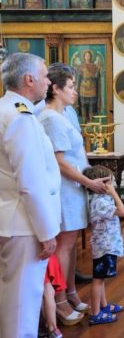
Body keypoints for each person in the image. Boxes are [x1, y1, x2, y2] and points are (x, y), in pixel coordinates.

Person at [38, 67, 110, 325]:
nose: (75, 91)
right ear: (55, 89)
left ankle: (70, 293)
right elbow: (60, 162)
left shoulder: (62, 115)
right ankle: (59, 300)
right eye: (70, 86)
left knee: (70, 245)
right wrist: (89, 182)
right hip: (65, 189)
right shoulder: (51, 118)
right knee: (64, 246)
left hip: (74, 187)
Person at [0, 53, 61, 338]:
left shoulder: (7, 109)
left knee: (11, 299)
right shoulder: (20, 118)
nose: (48, 81)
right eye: (45, 75)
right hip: (24, 224)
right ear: (29, 79)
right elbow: (30, 182)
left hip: (10, 218)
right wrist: (46, 232)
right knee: (22, 308)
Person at [82, 165, 124, 325]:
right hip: (104, 247)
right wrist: (114, 194)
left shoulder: (101, 200)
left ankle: (103, 305)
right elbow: (123, 212)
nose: (112, 186)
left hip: (105, 245)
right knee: (98, 280)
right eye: (110, 183)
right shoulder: (100, 202)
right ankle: (95, 313)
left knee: (101, 279)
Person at [42, 254, 80, 337]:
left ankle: (51, 327)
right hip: (48, 256)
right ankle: (53, 328)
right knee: (49, 291)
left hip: (35, 258)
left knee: (47, 290)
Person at [76, 50, 101, 122]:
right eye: (86, 55)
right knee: (83, 105)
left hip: (92, 87)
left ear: (91, 57)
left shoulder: (94, 66)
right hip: (83, 88)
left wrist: (98, 71)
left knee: (91, 105)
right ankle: (84, 121)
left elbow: (96, 77)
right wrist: (77, 86)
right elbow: (79, 77)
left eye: (88, 55)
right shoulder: (81, 66)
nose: (87, 57)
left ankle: (91, 122)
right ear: (84, 57)